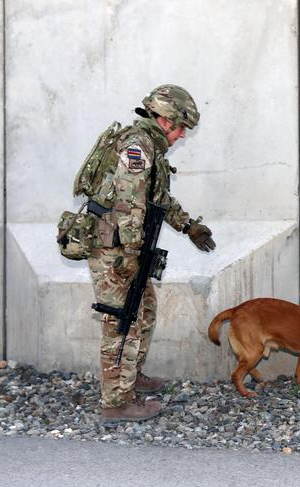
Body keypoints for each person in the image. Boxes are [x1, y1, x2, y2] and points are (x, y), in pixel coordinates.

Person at [87, 85, 216, 425]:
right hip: (115, 249)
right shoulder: (137, 148)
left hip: (125, 248)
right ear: (161, 119)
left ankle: (131, 376)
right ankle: (116, 403)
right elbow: (128, 205)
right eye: (178, 126)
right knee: (121, 320)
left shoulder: (151, 150)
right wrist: (130, 254)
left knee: (143, 310)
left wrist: (189, 227)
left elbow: (158, 200)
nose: (182, 134)